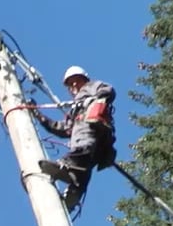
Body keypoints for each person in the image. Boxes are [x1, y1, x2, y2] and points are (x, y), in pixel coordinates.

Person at [34, 65, 117, 211]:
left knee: (82, 148)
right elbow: (64, 129)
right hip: (95, 148)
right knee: (84, 168)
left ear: (83, 79)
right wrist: (40, 117)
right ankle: (75, 191)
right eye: (70, 83)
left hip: (92, 130)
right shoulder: (74, 109)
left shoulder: (91, 87)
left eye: (76, 80)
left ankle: (65, 165)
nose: (73, 85)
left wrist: (94, 99)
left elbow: (108, 90)